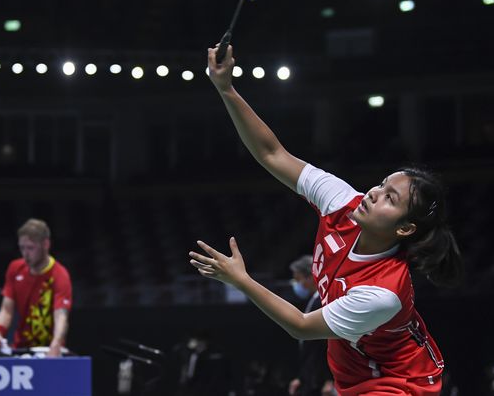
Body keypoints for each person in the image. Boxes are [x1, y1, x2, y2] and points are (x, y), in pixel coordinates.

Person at [189, 44, 463, 395]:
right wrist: (226, 89)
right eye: (381, 184)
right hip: (354, 377)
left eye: (390, 198)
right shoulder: (341, 202)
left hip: (398, 384)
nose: (374, 194)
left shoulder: (383, 292)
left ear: (405, 228)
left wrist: (242, 280)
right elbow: (273, 154)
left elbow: (302, 326)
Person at [0, 218, 72, 357]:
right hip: (21, 349)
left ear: (45, 244)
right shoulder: (14, 268)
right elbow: (6, 310)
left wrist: (56, 343)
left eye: (30, 248)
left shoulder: (60, 274)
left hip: (50, 349)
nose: (25, 254)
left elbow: (61, 316)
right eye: (22, 248)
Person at [287, 256, 334, 396]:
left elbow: (329, 343)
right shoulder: (313, 301)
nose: (296, 284)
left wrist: (330, 380)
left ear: (311, 277)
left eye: (298, 279)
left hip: (320, 382)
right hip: (311, 378)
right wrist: (301, 377)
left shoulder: (322, 302)